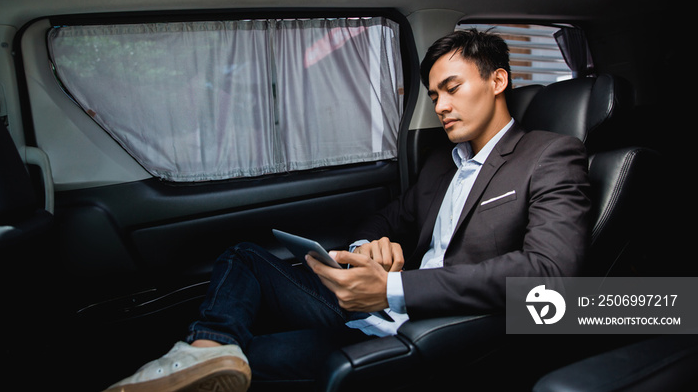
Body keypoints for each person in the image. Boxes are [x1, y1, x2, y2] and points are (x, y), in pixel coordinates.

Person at [104, 29, 590, 392]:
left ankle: (200, 358)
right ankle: (205, 349)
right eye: (434, 95)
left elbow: (551, 273)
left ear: (498, 79)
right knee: (243, 259)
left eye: (452, 87)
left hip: (436, 328)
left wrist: (396, 288)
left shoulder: (549, 154)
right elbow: (384, 219)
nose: (440, 106)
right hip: (371, 310)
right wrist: (369, 250)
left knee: (246, 361)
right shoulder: (445, 162)